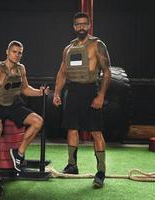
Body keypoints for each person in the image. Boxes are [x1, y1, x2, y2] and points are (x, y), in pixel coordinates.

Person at [0, 40, 49, 197]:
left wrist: (40, 92)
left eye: (20, 52)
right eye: (14, 52)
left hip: (14, 105)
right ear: (7, 52)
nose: (17, 55)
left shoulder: (21, 69)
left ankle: (18, 153)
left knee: (38, 121)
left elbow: (25, 89)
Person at [53, 12, 111, 188]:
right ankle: (72, 165)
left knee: (96, 132)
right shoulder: (68, 48)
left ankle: (101, 171)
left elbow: (107, 72)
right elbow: (62, 72)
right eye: (78, 24)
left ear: (89, 25)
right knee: (72, 129)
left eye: (84, 24)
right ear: (74, 26)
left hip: (90, 90)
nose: (81, 27)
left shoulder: (97, 45)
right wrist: (56, 93)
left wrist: (100, 95)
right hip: (74, 91)